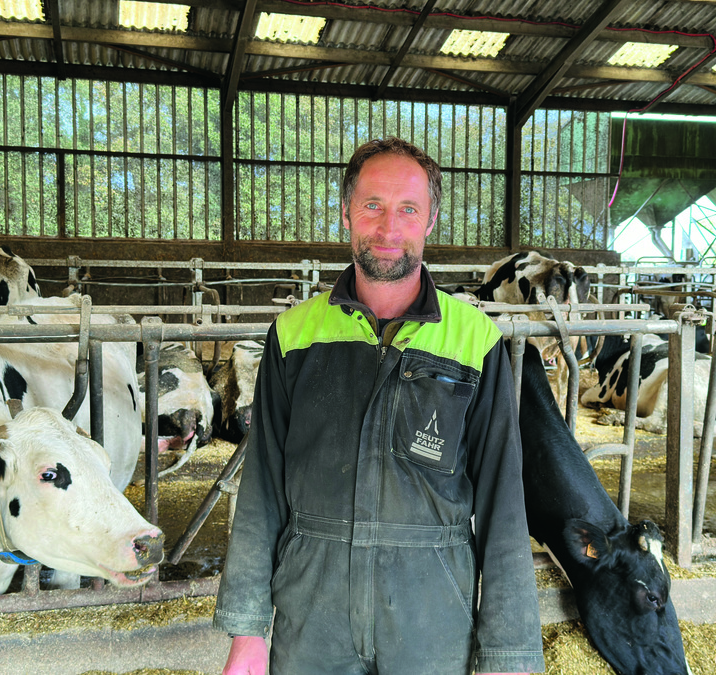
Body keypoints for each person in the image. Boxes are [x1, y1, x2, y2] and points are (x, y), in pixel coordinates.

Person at [213, 137, 545, 675]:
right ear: (346, 212)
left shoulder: (476, 340)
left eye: (408, 209)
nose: (389, 228)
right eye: (372, 205)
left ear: (430, 220)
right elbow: (261, 490)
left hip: (432, 623)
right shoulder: (294, 335)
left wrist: (509, 653)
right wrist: (248, 629)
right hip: (312, 619)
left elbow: (504, 503)